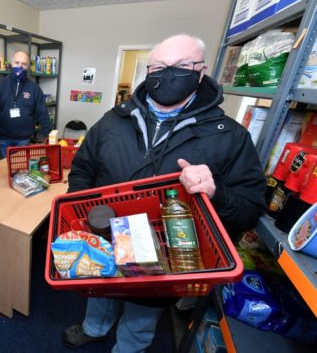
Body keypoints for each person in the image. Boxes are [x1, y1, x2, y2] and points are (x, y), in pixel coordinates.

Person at [62, 34, 266, 352]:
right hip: (104, 233)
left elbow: (250, 206)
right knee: (100, 290)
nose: (168, 74)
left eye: (182, 66)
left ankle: (129, 347)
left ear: (201, 71)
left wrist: (215, 192)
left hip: (169, 249)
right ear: (148, 71)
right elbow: (82, 169)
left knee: (143, 313)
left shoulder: (230, 136)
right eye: (158, 66)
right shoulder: (113, 120)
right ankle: (95, 328)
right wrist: (83, 213)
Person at [0, 51, 52, 158]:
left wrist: (48, 135)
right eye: (17, 63)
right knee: (5, 170)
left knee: (21, 170)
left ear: (28, 67)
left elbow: (42, 113)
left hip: (24, 139)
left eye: (24, 64)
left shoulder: (34, 88)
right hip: (3, 139)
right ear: (11, 64)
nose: (20, 66)